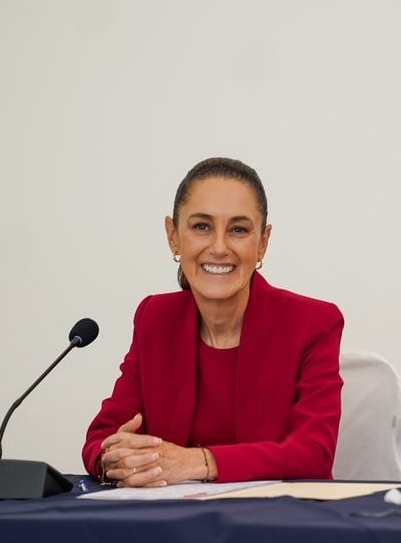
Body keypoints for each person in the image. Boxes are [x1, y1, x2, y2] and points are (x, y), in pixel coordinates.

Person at [82, 157, 344, 486]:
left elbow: (314, 454)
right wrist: (115, 459)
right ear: (173, 236)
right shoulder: (155, 318)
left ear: (262, 243)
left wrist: (199, 462)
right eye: (202, 227)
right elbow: (101, 438)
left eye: (238, 230)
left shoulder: (313, 324)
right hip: (170, 515)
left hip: (276, 514)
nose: (219, 248)